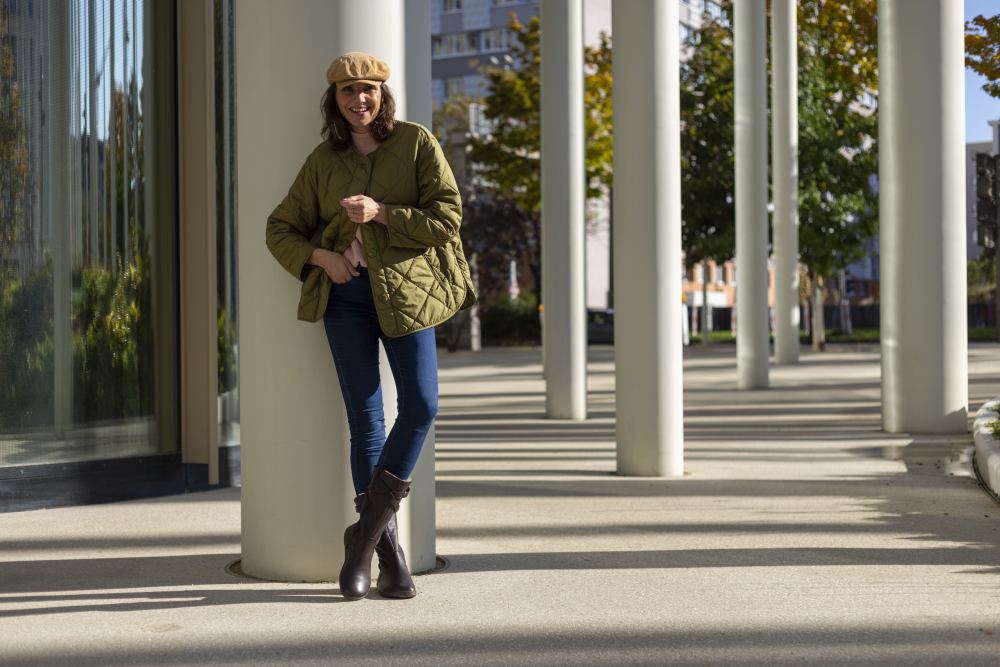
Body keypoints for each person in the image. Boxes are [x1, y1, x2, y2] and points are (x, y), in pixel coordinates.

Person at [265, 52, 476, 600]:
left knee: (423, 404)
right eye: (346, 91)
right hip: (347, 301)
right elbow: (280, 228)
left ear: (383, 94)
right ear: (333, 100)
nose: (359, 99)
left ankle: (359, 541)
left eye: (368, 90)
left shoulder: (415, 143)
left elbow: (447, 216)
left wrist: (382, 213)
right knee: (366, 421)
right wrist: (322, 260)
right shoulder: (323, 160)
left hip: (407, 294)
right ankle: (388, 554)